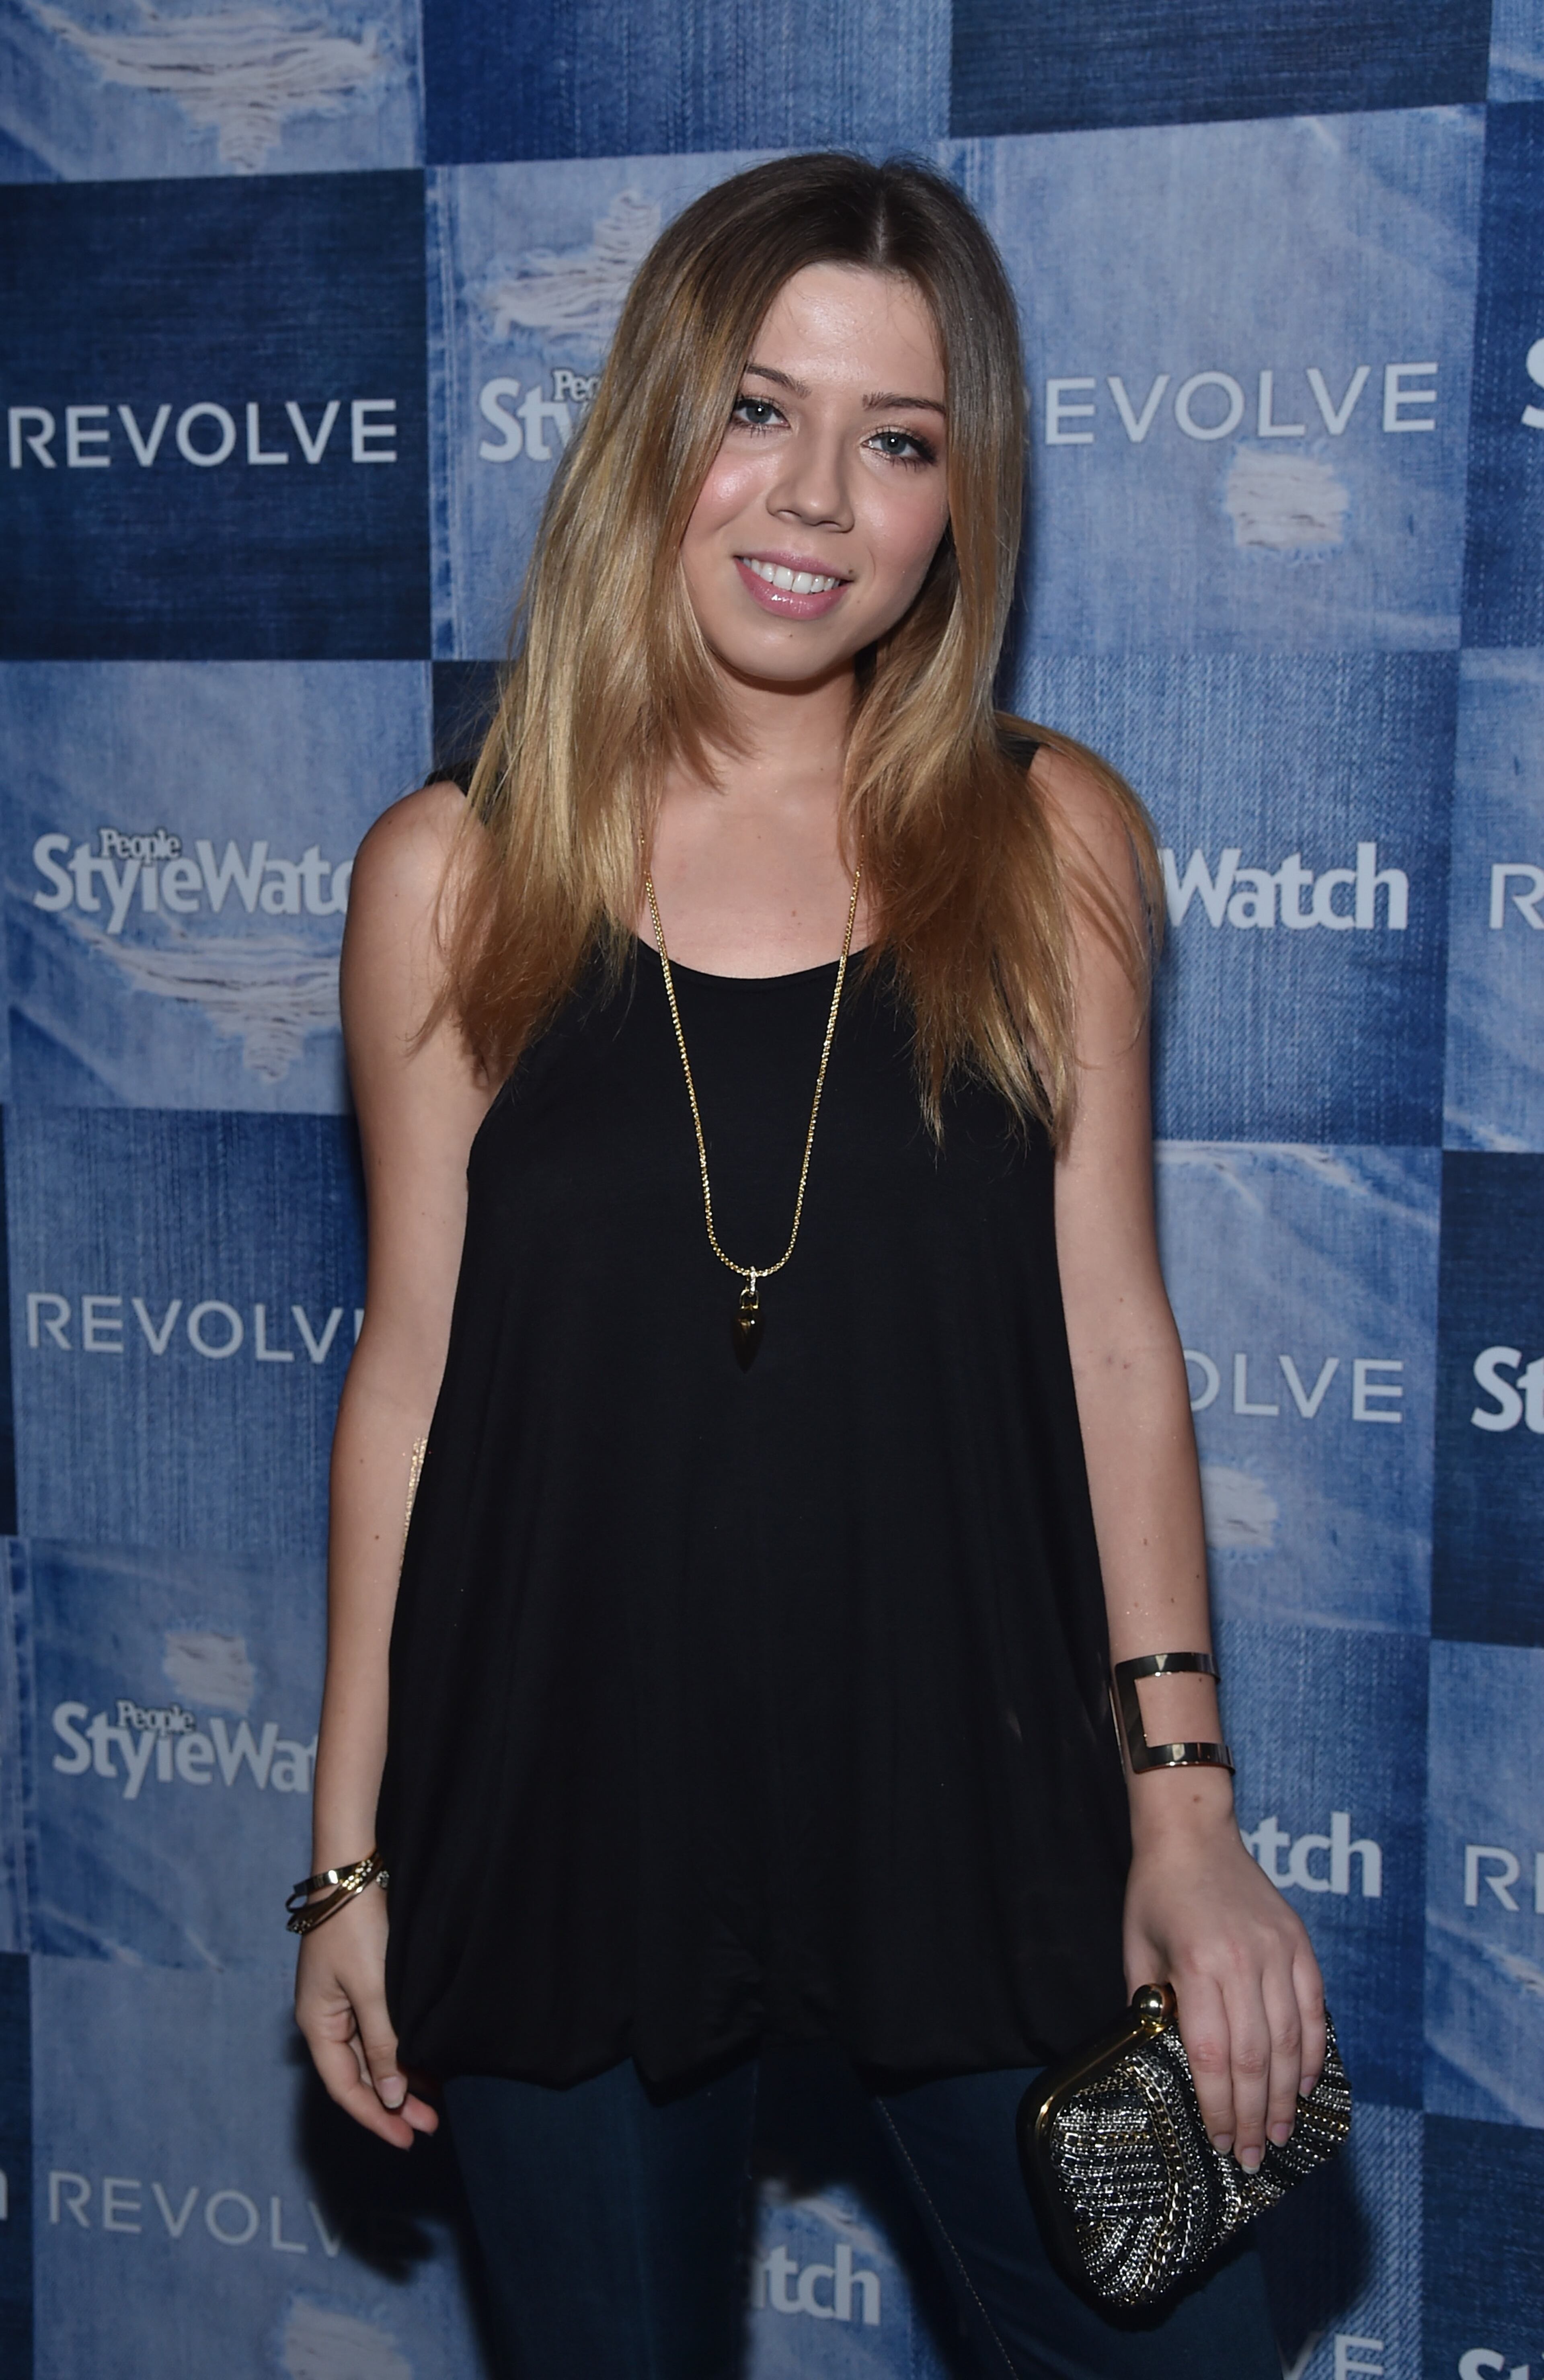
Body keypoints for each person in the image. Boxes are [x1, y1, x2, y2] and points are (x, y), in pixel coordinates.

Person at [294, 152, 1326, 2378]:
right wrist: (351, 1860)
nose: (817, 496)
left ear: (966, 502)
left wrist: (1191, 1820)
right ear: (652, 426)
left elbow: (1117, 1340)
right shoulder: (451, 876)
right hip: (557, 1804)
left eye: (901, 440)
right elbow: (409, 1381)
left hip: (977, 1791)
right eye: (758, 409)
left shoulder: (1056, 841)